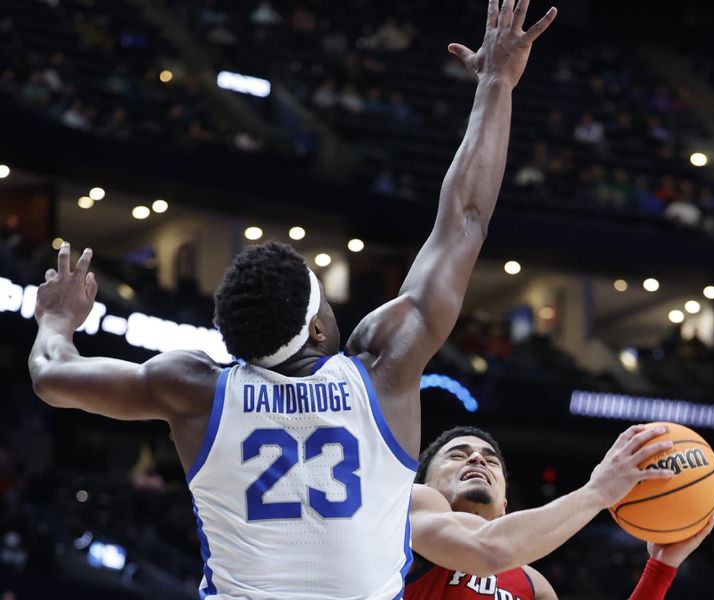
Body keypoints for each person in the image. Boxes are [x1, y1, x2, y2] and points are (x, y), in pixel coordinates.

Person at [27, 1, 558, 598]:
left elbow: (51, 375)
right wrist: (496, 84)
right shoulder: (383, 369)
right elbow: (464, 219)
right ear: (316, 332)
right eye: (324, 303)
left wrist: (56, 319)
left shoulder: (191, 387)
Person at [406, 426, 714, 599]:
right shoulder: (409, 510)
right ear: (426, 484)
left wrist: (661, 567)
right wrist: (598, 492)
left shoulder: (532, 584)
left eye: (491, 461)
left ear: (505, 505)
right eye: (457, 455)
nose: (476, 458)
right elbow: (488, 549)